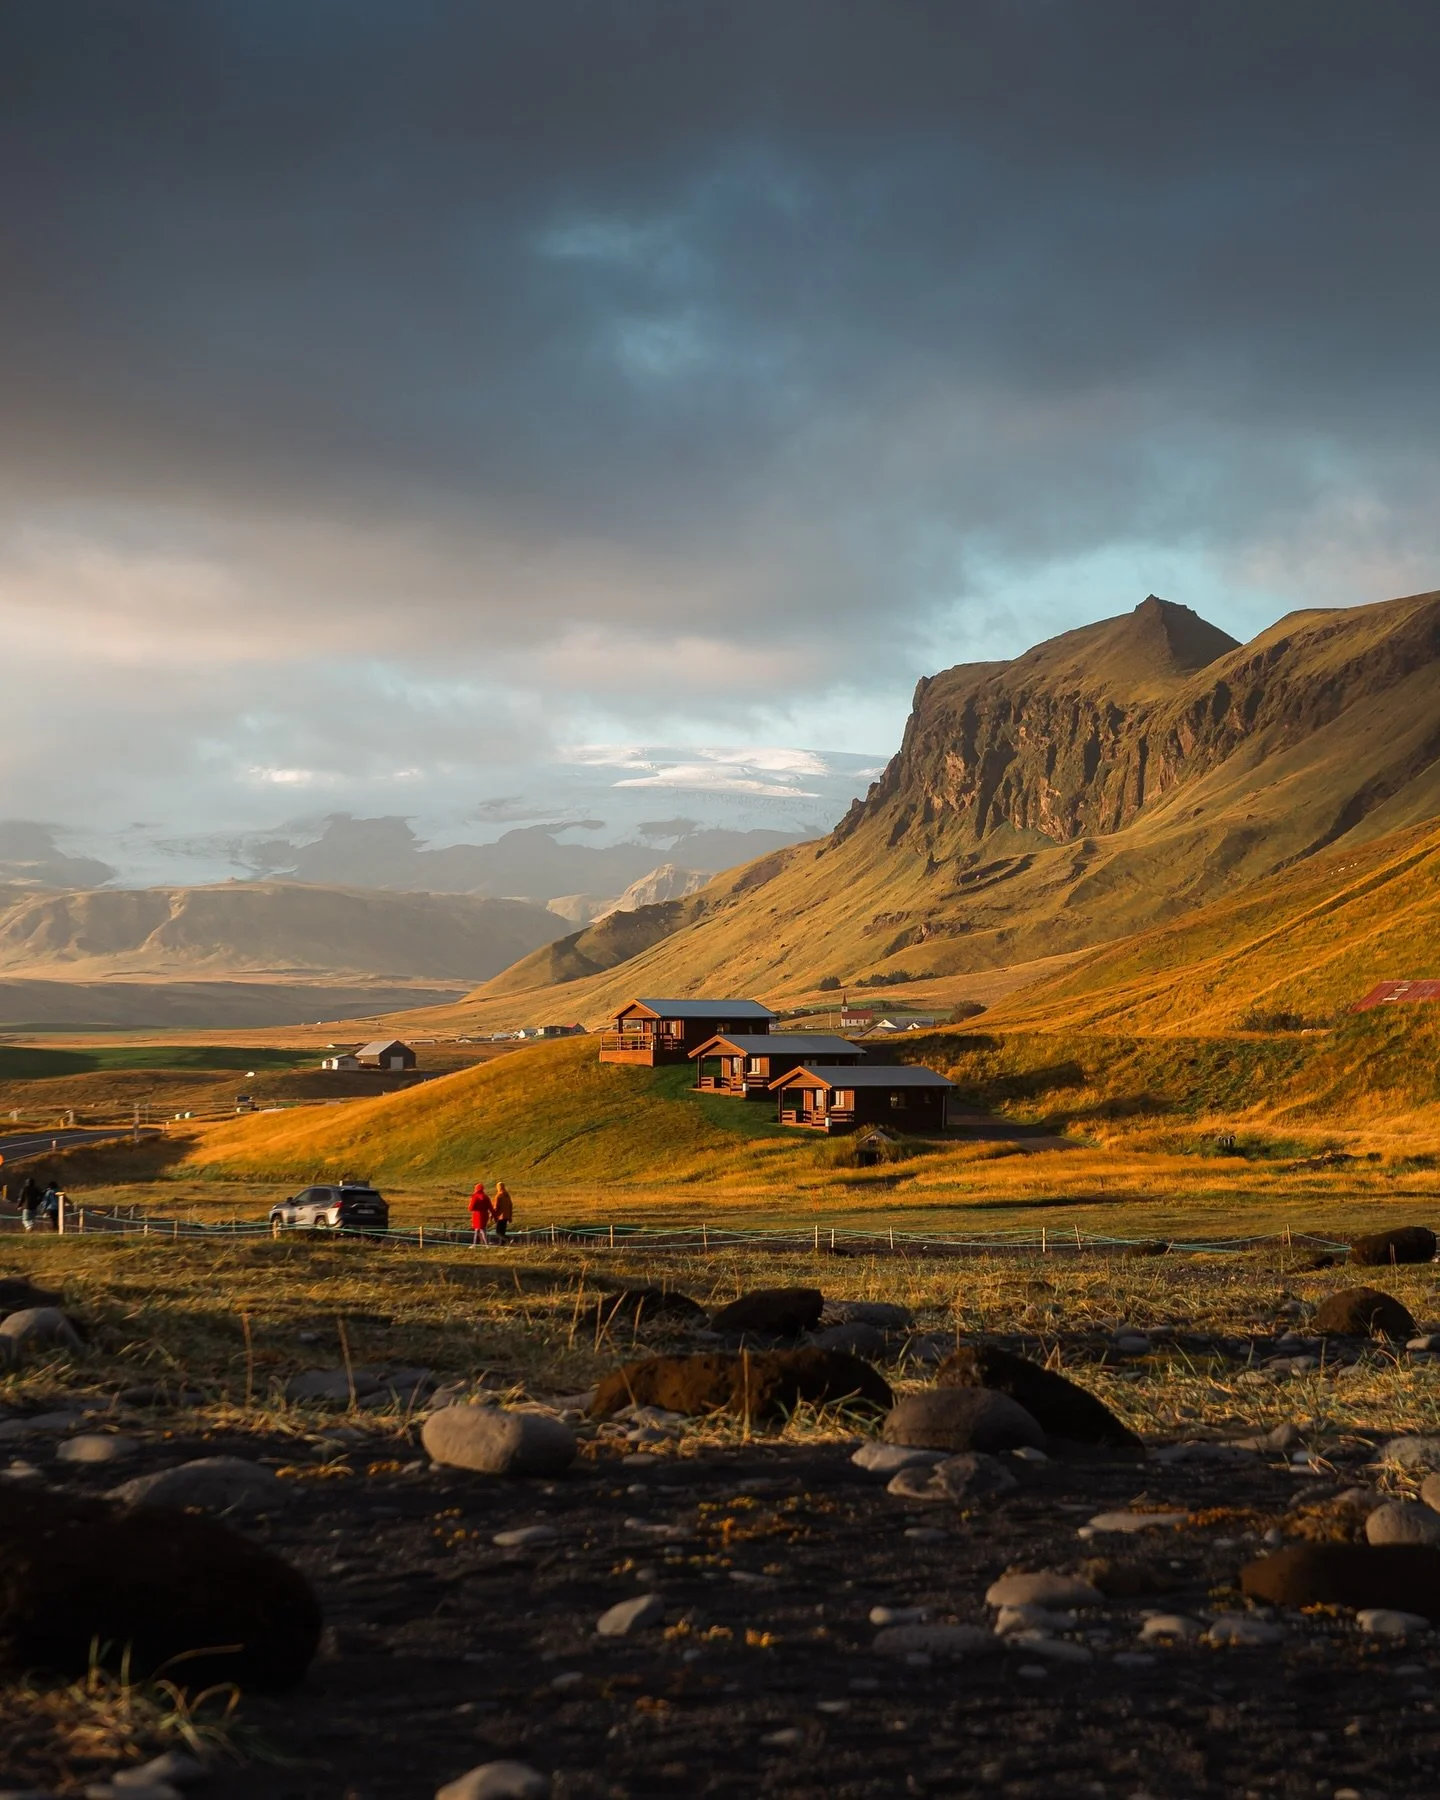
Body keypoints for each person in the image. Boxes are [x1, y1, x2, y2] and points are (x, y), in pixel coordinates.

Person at [468, 1181, 492, 1246]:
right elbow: (490, 1207)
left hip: (477, 1215)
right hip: (484, 1215)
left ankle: (475, 1244)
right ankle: (486, 1244)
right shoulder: (486, 1197)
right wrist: (494, 1216)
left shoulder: (475, 1197)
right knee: (483, 1230)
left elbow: (470, 1208)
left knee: (477, 1230)